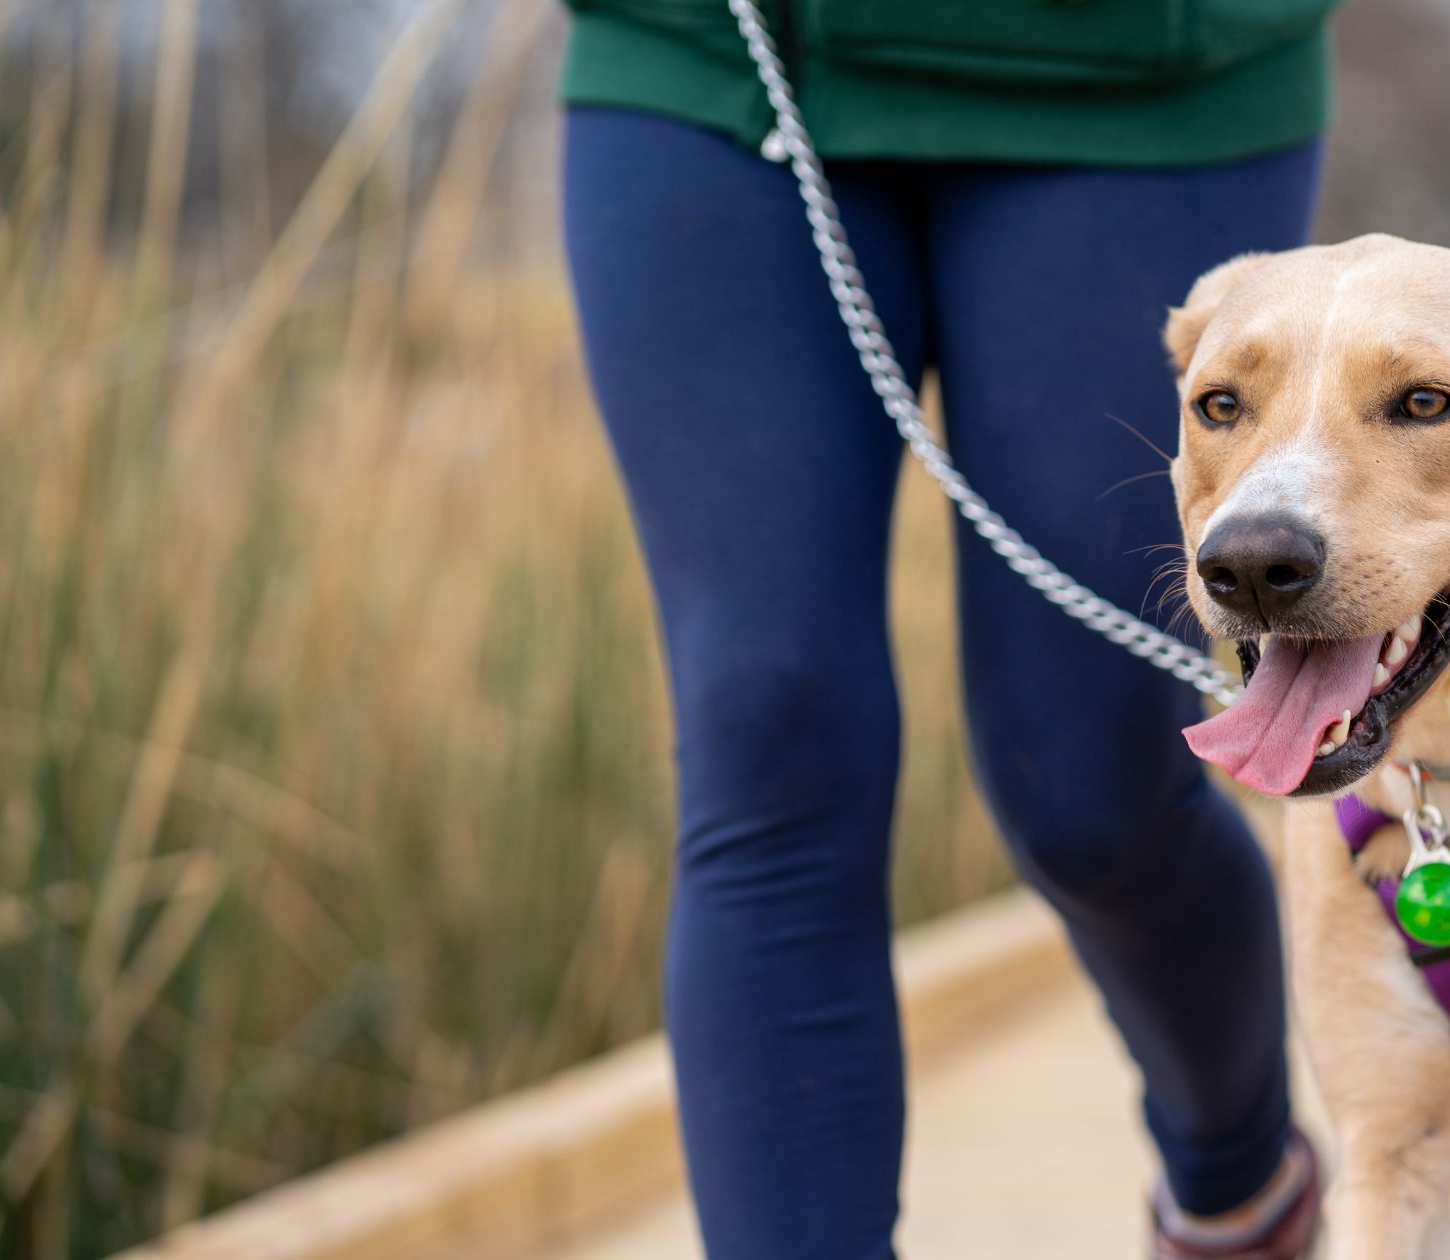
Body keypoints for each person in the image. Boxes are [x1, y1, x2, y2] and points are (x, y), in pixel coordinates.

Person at [557, 3, 1336, 1255]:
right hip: (721, 66)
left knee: (1093, 785)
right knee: (769, 728)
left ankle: (1240, 1183)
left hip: (1137, 85)